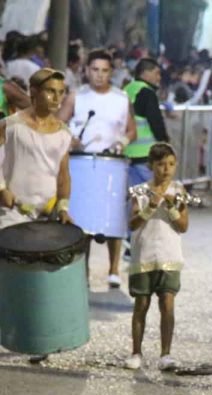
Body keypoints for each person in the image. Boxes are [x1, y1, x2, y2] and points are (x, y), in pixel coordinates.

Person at [58, 49, 137, 288]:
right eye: (95, 70)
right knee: (82, 218)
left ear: (111, 72)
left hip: (111, 163)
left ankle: (113, 270)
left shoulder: (121, 98)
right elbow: (59, 123)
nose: (99, 75)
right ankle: (84, 268)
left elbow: (131, 130)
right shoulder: (76, 96)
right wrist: (69, 137)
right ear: (86, 70)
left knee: (113, 215)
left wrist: (121, 142)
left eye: (104, 71)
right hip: (81, 161)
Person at [123, 142, 189, 371]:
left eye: (171, 164)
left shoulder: (179, 190)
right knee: (141, 304)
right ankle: (136, 352)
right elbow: (132, 224)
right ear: (151, 165)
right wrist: (150, 207)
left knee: (167, 304)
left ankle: (166, 354)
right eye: (161, 165)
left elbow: (183, 225)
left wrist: (171, 208)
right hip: (144, 255)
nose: (166, 169)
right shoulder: (140, 190)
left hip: (170, 256)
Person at [0, 68, 72, 229]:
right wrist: (2, 188)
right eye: (50, 91)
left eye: (61, 92)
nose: (56, 98)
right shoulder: (11, 125)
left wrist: (63, 208)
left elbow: (63, 175)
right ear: (34, 91)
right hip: (11, 213)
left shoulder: (63, 133)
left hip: (46, 216)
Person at [123, 58, 170, 189]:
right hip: (146, 155)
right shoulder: (147, 93)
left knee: (134, 198)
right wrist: (165, 142)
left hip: (127, 154)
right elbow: (156, 122)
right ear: (145, 73)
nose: (159, 77)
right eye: (156, 73)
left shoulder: (126, 89)